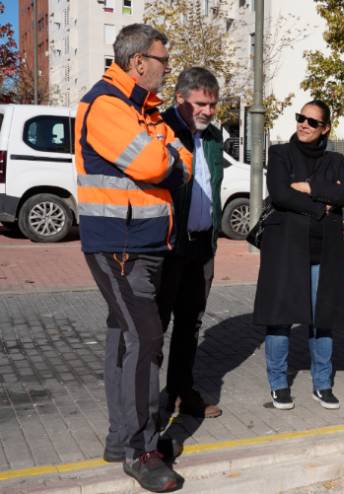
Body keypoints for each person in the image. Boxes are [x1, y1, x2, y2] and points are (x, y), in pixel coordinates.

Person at [74, 24, 193, 492]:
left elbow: (183, 160)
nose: (167, 67)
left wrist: (166, 157)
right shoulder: (107, 104)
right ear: (138, 61)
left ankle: (119, 435)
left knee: (124, 337)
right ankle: (141, 450)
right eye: (163, 59)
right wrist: (165, 159)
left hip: (143, 243)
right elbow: (154, 164)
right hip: (119, 244)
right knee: (146, 338)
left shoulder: (146, 109)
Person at [253, 100, 344, 411]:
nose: (304, 124)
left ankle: (322, 384)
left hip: (323, 250)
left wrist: (309, 187)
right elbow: (281, 194)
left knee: (322, 318)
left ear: (325, 128)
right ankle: (279, 384)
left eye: (312, 121)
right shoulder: (280, 153)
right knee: (280, 317)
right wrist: (322, 205)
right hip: (285, 248)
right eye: (301, 118)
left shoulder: (335, 159)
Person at [157, 67, 223, 420]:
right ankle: (148, 406)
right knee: (155, 325)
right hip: (168, 247)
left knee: (190, 323)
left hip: (202, 246)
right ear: (180, 98)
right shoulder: (161, 129)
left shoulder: (212, 137)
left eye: (213, 104)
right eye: (201, 104)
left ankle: (181, 392)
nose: (208, 111)